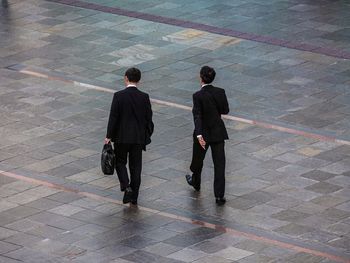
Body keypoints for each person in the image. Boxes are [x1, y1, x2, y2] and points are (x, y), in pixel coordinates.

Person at [105, 67, 154, 205]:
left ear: (126, 78)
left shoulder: (118, 96)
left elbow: (113, 117)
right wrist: (146, 134)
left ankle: (126, 186)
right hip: (138, 138)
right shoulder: (144, 97)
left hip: (121, 137)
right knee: (136, 167)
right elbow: (148, 118)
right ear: (139, 80)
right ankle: (134, 197)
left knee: (120, 162)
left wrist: (109, 135)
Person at [186, 66, 229, 206]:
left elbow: (197, 116)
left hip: (203, 134)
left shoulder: (197, 96)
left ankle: (196, 182)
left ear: (201, 77)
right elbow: (225, 110)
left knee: (198, 160)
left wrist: (199, 135)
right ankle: (219, 196)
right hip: (218, 132)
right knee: (219, 165)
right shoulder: (220, 92)